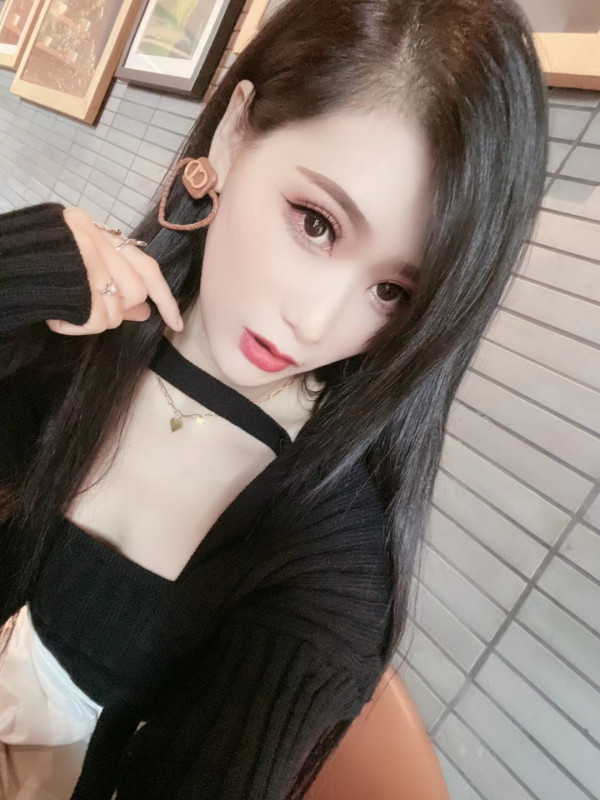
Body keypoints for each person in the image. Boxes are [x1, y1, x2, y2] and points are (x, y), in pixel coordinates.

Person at [0, 0, 548, 797]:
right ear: (233, 133)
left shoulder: (328, 565)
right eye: (317, 224)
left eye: (392, 292)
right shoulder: (57, 322)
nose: (316, 322)